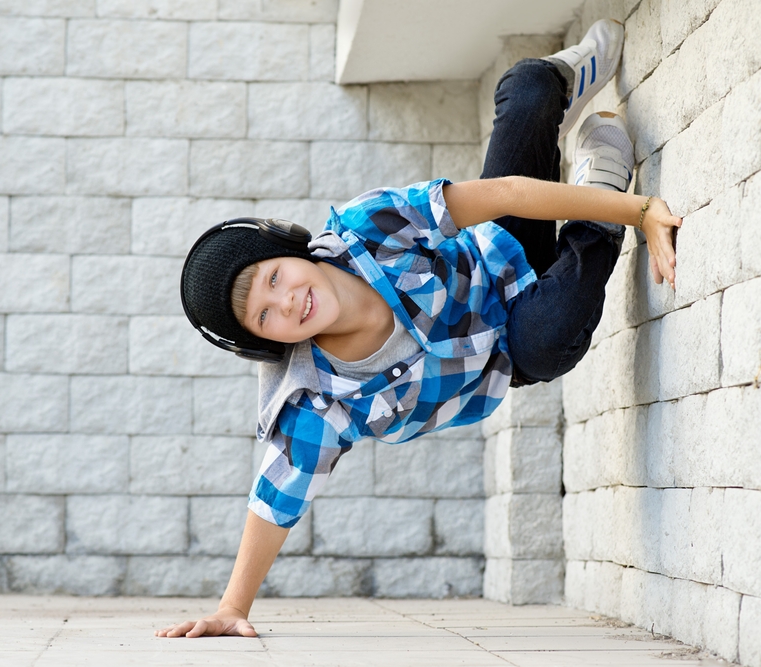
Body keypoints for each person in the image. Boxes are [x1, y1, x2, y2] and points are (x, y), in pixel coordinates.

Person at [157, 19, 681, 639]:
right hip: (509, 348)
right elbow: (274, 499)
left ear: (287, 249)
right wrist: (232, 608)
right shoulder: (318, 401)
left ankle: (571, 79)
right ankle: (600, 184)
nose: (287, 302)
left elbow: (507, 192)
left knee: (528, 88)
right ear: (266, 341)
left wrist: (646, 211)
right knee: (550, 337)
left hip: (502, 247)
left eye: (274, 278)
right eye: (264, 316)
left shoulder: (368, 228)